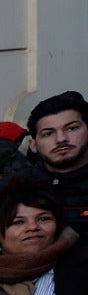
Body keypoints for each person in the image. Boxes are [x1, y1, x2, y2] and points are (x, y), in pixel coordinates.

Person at [26, 90, 88, 230]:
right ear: (33, 145)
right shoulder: (13, 189)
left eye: (72, 128)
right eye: (48, 133)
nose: (61, 139)